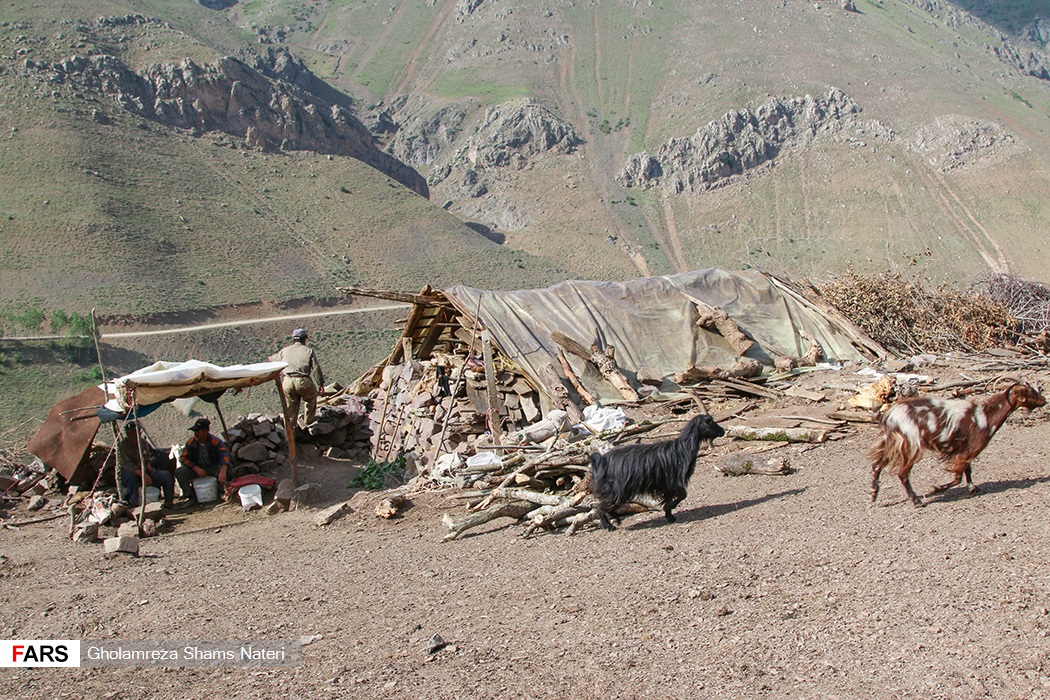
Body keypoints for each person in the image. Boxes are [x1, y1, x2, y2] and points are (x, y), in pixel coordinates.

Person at [269, 328, 325, 428]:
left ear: (293, 339)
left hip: (287, 381)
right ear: (305, 339)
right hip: (303, 381)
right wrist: (320, 384)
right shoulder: (309, 351)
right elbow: (316, 369)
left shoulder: (285, 351)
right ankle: (308, 422)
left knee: (291, 406)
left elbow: (271, 359)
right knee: (310, 399)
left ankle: (290, 430)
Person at [174, 417, 232, 508]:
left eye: (198, 431)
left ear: (205, 431)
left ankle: (222, 491)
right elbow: (184, 458)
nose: (195, 434)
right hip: (196, 468)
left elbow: (225, 455)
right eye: (195, 431)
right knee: (180, 472)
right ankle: (190, 497)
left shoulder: (215, 442)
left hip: (212, 467)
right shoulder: (191, 443)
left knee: (227, 468)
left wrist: (223, 470)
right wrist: (196, 468)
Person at [117, 421, 175, 508]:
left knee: (166, 475)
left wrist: (149, 467)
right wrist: (143, 475)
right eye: (130, 433)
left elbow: (147, 457)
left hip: (144, 470)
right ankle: (134, 503)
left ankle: (169, 502)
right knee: (131, 478)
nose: (133, 435)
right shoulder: (122, 446)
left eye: (135, 432)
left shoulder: (143, 443)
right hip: (131, 473)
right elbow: (126, 464)